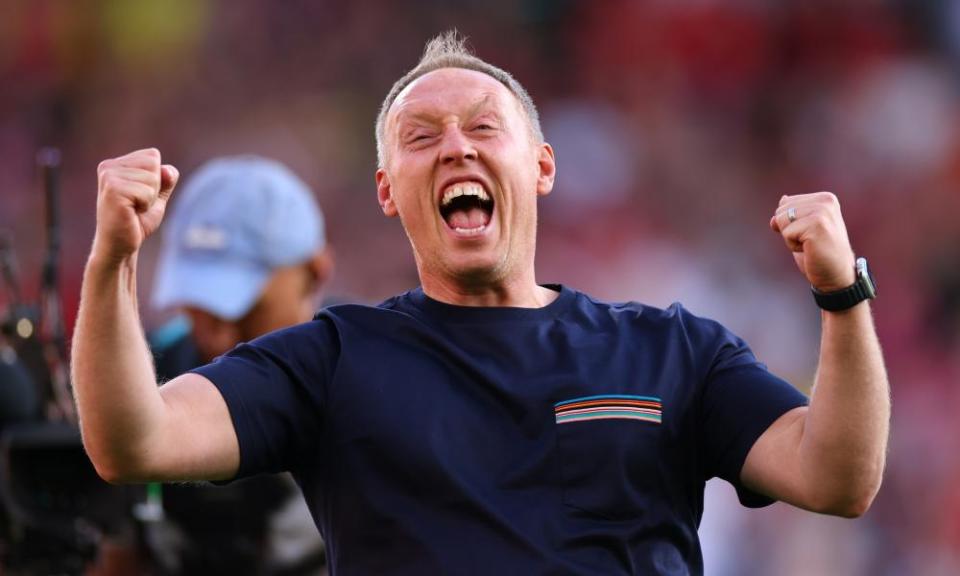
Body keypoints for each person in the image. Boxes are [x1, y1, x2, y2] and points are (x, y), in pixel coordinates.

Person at [72, 32, 890, 575]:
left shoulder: (674, 352)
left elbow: (839, 477)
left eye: (481, 127)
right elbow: (131, 440)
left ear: (542, 166)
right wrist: (113, 261)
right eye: (422, 137)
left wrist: (843, 296)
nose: (455, 145)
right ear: (389, 193)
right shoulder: (330, 360)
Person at [146, 156, 332, 575]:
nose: (217, 335)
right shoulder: (148, 371)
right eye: (201, 303)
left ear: (316, 273)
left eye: (242, 305)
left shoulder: (370, 375)